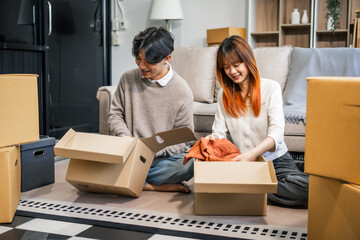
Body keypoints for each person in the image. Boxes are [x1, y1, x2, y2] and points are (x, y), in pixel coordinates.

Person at [206, 35, 309, 207]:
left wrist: (252, 154)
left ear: (248, 61)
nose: (232, 71)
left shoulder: (271, 88)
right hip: (244, 164)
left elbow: (276, 133)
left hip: (275, 160)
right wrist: (210, 141)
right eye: (226, 67)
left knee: (310, 190)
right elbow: (219, 132)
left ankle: (248, 191)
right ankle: (254, 188)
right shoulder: (223, 95)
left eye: (236, 65)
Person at [107, 27, 194, 193]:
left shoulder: (182, 91)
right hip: (128, 154)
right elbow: (114, 115)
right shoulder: (127, 79)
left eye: (149, 62)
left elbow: (184, 139)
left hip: (161, 160)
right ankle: (151, 185)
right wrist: (125, 137)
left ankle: (132, 180)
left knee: (191, 164)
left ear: (166, 58)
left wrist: (155, 149)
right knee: (97, 156)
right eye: (138, 59)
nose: (142, 66)